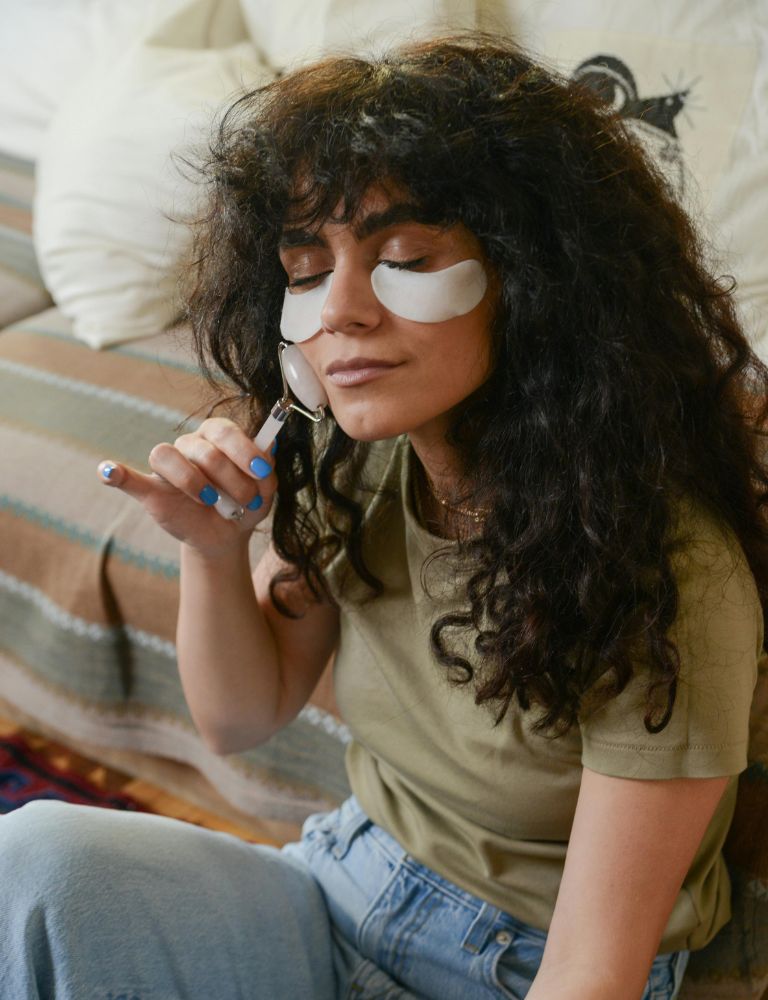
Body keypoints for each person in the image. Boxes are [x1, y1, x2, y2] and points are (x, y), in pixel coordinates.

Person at [1, 33, 766, 1000]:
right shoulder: (358, 460)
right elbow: (240, 716)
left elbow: (594, 973)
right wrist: (212, 545)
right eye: (308, 269)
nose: (341, 311)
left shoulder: (670, 573)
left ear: (539, 279)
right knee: (32, 865)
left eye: (405, 257)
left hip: (514, 967)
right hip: (339, 885)